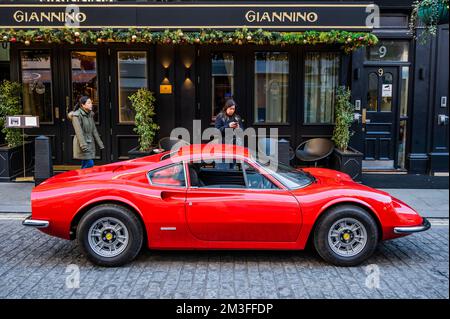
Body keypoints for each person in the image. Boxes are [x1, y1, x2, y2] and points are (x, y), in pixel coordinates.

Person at [67, 96, 104, 169]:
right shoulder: (76, 116)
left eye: (91, 103)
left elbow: (94, 130)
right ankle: (81, 178)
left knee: (85, 163)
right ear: (83, 105)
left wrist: (100, 143)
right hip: (82, 143)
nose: (91, 104)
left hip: (90, 142)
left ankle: (82, 178)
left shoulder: (90, 114)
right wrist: (83, 145)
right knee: (90, 163)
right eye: (89, 103)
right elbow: (79, 132)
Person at [214, 99, 244, 169]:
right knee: (222, 167)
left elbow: (242, 131)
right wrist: (228, 126)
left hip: (234, 145)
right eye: (230, 109)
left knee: (232, 167)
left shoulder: (237, 117)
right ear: (226, 108)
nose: (232, 110)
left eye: (233, 109)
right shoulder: (220, 117)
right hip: (222, 145)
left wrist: (239, 128)